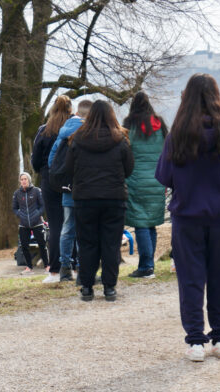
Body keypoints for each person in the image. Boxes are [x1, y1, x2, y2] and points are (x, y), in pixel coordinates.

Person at [155, 73, 220, 362]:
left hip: (187, 217)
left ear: (186, 98)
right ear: (216, 97)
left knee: (190, 279)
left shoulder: (177, 136)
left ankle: (196, 341)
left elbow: (164, 175)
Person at [64, 100, 134, 302]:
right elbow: (128, 169)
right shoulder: (120, 140)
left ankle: (86, 287)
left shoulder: (77, 140)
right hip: (114, 199)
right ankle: (110, 287)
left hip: (85, 199)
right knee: (111, 244)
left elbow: (69, 169)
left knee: (87, 244)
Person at [123, 91, 168, 279]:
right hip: (158, 180)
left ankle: (146, 267)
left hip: (136, 180)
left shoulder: (128, 125)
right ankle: (149, 265)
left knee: (141, 223)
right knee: (150, 224)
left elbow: (124, 151)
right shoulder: (160, 125)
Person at [48, 100, 93, 282]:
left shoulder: (64, 130)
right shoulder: (89, 131)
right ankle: (82, 269)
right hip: (86, 187)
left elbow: (52, 160)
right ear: (89, 115)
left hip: (68, 188)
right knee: (84, 229)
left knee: (67, 228)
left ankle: (65, 268)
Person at [32, 95, 72, 282]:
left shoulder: (44, 131)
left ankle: (55, 269)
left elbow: (35, 161)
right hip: (72, 180)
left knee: (55, 226)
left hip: (49, 181)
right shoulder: (74, 129)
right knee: (73, 222)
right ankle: (74, 264)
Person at [12, 172, 48, 274]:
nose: (23, 181)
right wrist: (20, 214)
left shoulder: (36, 191)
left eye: (25, 179)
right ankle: (29, 267)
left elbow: (42, 206)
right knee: (24, 246)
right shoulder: (17, 193)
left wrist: (37, 214)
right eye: (22, 179)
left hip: (37, 222)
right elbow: (14, 208)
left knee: (42, 244)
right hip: (23, 224)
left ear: (29, 180)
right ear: (20, 181)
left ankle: (47, 266)